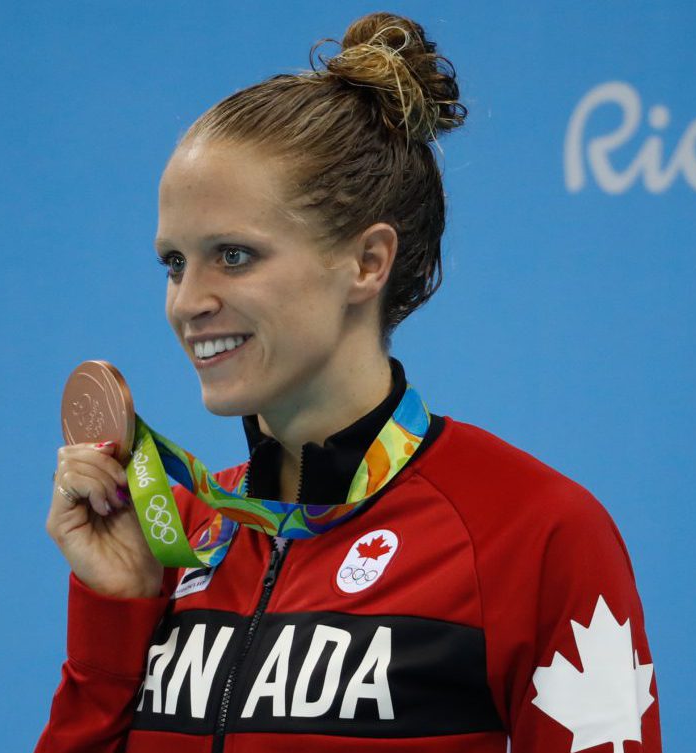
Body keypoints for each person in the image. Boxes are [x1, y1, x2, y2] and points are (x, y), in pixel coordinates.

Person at [38, 12, 660, 753]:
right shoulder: (181, 536)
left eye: (233, 255)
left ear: (367, 262)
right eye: (175, 262)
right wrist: (116, 612)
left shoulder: (536, 533)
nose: (187, 301)